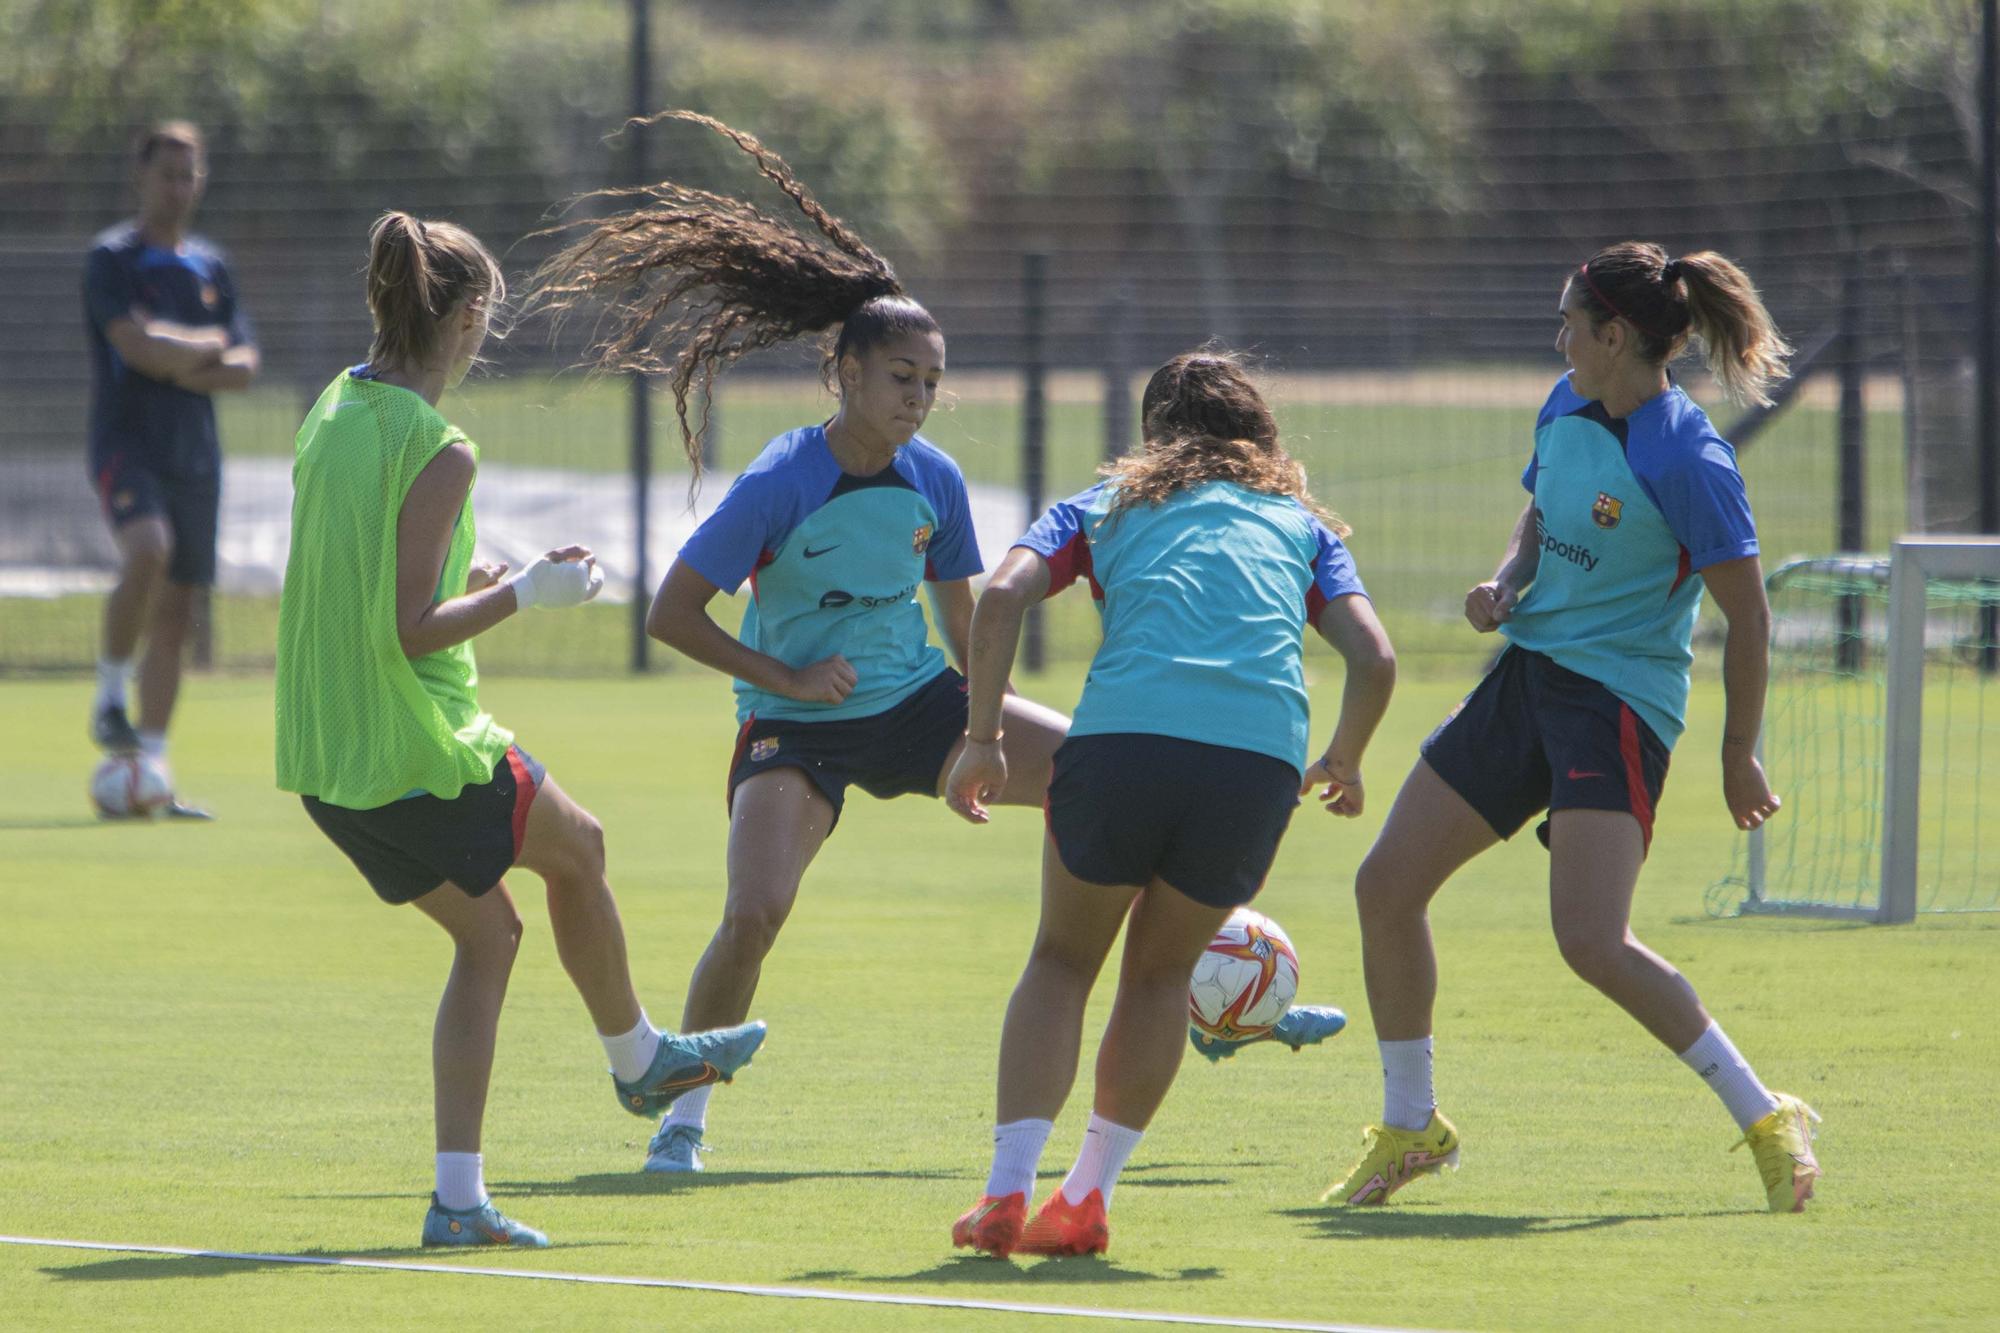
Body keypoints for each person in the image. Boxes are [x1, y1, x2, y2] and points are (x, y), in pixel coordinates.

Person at [531, 112, 1082, 1177]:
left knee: (1104, 774)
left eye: (929, 381)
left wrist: (980, 729)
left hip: (918, 704)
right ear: (844, 373)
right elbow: (671, 614)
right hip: (798, 726)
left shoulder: (937, 481)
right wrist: (781, 676)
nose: (917, 399)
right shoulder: (782, 480)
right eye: (899, 378)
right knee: (753, 913)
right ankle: (680, 1123)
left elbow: (961, 620)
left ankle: (1216, 972)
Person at [274, 211, 766, 1248]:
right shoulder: (439, 447)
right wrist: (527, 596)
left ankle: (458, 1202)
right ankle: (639, 1064)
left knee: (491, 934)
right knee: (579, 848)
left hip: (329, 755)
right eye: (484, 314)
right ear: (461, 318)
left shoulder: (332, 405)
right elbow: (410, 632)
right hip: (415, 744)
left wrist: (481, 579)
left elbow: (372, 582)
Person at [1325, 241, 1822, 1215]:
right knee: (1384, 884)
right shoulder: (1562, 402)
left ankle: (1766, 1116)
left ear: (1616, 336)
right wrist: (1507, 582)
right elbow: (1536, 513)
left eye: (1568, 323)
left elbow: (1749, 614)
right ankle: (1411, 1125)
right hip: (1527, 677)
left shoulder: (1686, 457)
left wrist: (1735, 753)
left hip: (1615, 707)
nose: (1555, 337)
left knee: (1589, 941)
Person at [947, 352, 1397, 1258]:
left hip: (1122, 747)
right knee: (1157, 976)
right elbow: (1376, 657)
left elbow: (999, 596)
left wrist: (985, 736)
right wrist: (1344, 756)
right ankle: (1085, 1199)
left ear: (1153, 438)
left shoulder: (1102, 506)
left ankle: (1005, 1193)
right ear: (1259, 436)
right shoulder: (1302, 526)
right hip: (1258, 766)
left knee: (1064, 960)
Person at [83, 121, 258, 814]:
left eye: (190, 175)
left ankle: (150, 769)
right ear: (141, 177)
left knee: (180, 610)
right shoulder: (111, 259)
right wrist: (201, 350)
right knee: (148, 548)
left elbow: (244, 367)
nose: (179, 187)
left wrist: (178, 359)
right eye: (167, 174)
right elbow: (136, 347)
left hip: (197, 455)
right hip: (128, 443)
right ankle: (107, 695)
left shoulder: (213, 266)